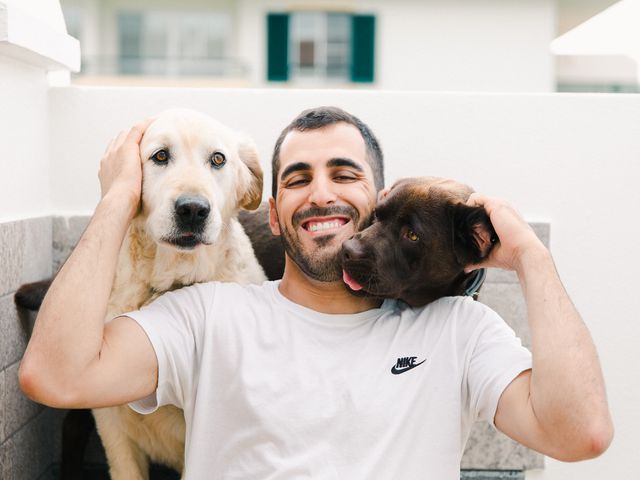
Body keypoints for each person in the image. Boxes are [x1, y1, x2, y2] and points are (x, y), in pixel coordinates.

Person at [19, 107, 613, 478]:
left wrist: (531, 257)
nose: (322, 193)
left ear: (378, 198)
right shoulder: (209, 314)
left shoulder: (456, 329)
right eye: (298, 179)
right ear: (272, 214)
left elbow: (579, 433)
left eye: (345, 174)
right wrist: (119, 200)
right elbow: (55, 375)